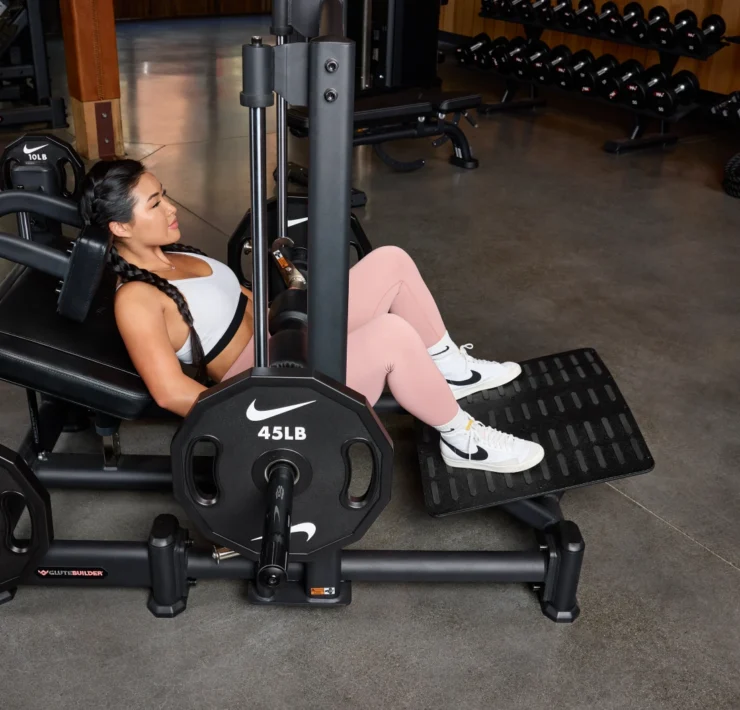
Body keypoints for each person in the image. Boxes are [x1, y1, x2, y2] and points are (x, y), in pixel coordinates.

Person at [79, 160, 544, 474]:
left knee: (390, 261)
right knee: (391, 335)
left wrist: (303, 306)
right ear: (120, 227)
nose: (172, 208)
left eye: (165, 195)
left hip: (284, 336)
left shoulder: (175, 253)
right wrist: (249, 425)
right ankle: (461, 439)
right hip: (270, 383)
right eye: (155, 204)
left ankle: (453, 372)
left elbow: (246, 300)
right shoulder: (136, 299)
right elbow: (169, 392)